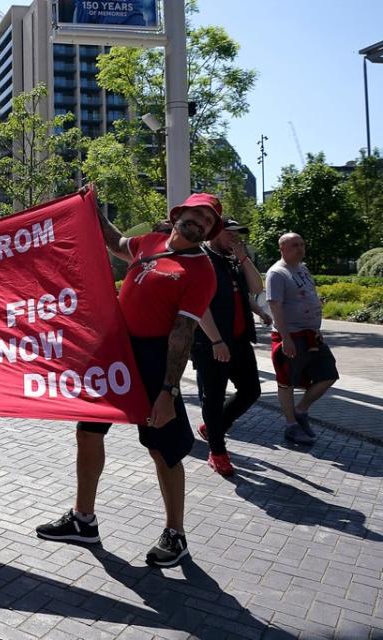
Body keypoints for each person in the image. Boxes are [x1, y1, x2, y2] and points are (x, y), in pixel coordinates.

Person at [36, 191, 222, 568]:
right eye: (197, 213)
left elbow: (182, 333)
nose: (200, 222)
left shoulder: (202, 271)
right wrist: (90, 204)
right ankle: (83, 519)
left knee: (163, 448)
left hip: (155, 361)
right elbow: (117, 243)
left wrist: (168, 391)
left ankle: (176, 533)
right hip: (115, 352)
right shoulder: (150, 242)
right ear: (179, 212)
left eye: (208, 221)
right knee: (87, 432)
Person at [192, 219, 269, 476]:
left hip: (238, 340)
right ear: (214, 231)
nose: (235, 239)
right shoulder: (202, 259)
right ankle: (218, 451)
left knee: (251, 390)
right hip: (212, 343)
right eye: (230, 233)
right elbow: (199, 304)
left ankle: (214, 427)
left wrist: (244, 259)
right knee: (212, 398)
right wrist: (216, 341)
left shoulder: (233, 260)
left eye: (238, 234)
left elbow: (257, 289)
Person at [265, 233, 339, 445]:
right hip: (291, 337)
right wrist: (285, 338)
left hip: (311, 336)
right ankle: (291, 425)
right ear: (282, 249)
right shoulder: (277, 273)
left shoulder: (303, 269)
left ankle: (301, 410)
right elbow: (275, 306)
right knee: (286, 382)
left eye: (301, 244)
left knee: (328, 374)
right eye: (294, 245)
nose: (300, 248)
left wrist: (316, 327)